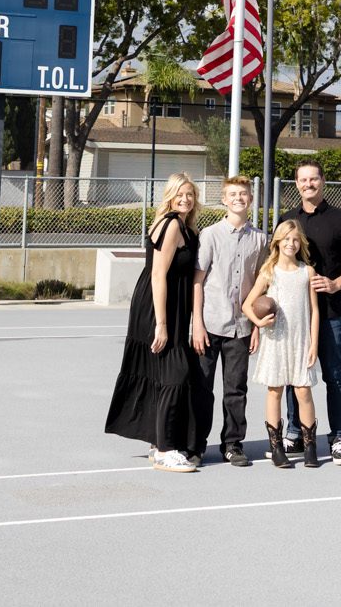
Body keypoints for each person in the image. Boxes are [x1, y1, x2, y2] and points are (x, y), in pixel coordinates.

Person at [104, 172, 211, 472]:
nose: (186, 199)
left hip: (172, 306)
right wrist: (161, 324)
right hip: (157, 307)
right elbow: (157, 274)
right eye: (180, 194)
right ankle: (165, 449)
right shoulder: (172, 224)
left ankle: (158, 443)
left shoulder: (185, 227)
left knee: (162, 374)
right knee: (174, 374)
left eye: (190, 194)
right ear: (170, 196)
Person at [282, 161, 341, 465]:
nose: (309, 184)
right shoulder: (287, 220)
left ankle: (338, 436)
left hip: (329, 314)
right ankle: (294, 434)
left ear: (323, 181)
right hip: (293, 316)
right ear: (296, 184)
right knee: (295, 377)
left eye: (314, 179)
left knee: (334, 377)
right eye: (303, 179)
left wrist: (336, 284)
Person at [191, 175, 267, 466]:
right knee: (201, 388)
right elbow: (197, 282)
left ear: (251, 199)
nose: (238, 198)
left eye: (243, 194)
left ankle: (232, 443)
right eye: (232, 194)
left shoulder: (260, 239)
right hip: (209, 324)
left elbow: (261, 286)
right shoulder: (210, 235)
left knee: (236, 390)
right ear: (224, 199)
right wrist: (196, 323)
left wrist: (257, 325)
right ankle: (196, 444)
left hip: (241, 327)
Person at [244, 219, 321, 469]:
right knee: (275, 391)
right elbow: (247, 304)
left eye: (295, 239)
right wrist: (259, 321)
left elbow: (314, 310)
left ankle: (310, 447)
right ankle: (277, 448)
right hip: (275, 339)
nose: (291, 243)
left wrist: (314, 344)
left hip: (300, 340)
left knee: (303, 391)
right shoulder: (269, 271)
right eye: (286, 239)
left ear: (301, 243)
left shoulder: (306, 272)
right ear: (277, 241)